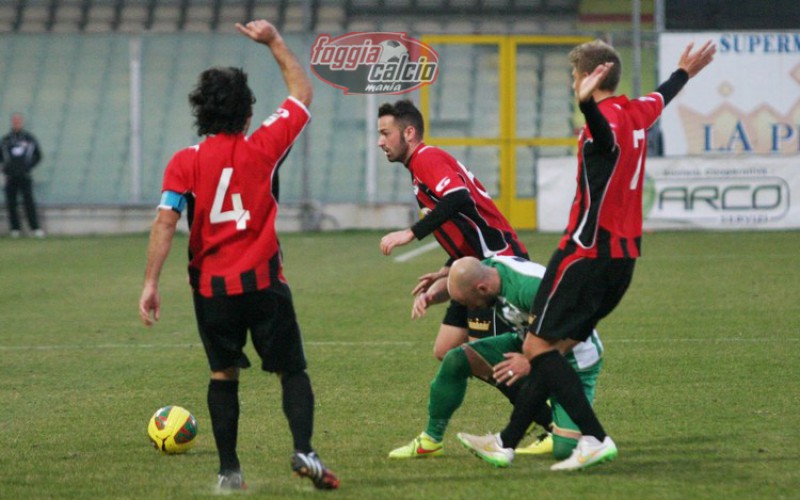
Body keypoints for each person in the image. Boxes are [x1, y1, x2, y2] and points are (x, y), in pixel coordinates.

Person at [457, 39, 716, 471]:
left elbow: (603, 136)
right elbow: (662, 96)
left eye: (576, 75)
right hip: (623, 259)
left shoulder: (608, 119)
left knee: (537, 344)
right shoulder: (637, 111)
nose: (573, 80)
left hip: (586, 253)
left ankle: (595, 437)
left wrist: (586, 108)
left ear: (590, 77)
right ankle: (505, 441)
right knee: (551, 346)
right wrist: (684, 73)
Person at [138, 20, 339, 491]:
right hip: (265, 282)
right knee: (292, 370)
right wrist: (273, 41)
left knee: (222, 373)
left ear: (202, 113)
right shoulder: (264, 146)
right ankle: (304, 450)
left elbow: (166, 222)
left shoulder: (183, 162)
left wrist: (150, 283)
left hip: (212, 291)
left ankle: (229, 471)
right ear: (248, 113)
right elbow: (302, 93)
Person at [388, 256, 603, 464]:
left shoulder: (529, 289)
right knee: (457, 359)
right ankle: (431, 439)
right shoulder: (487, 270)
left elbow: (577, 325)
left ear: (482, 289)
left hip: (572, 356)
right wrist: (432, 296)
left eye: (468, 303)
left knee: (566, 451)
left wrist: (529, 360)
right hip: (528, 342)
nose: (470, 309)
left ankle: (561, 424)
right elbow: (459, 278)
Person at [377, 99, 529, 359]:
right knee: (446, 350)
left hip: (496, 264)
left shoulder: (427, 158)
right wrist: (445, 271)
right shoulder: (418, 169)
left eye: (385, 133)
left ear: (409, 133)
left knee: (491, 356)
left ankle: (541, 394)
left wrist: (410, 233)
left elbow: (459, 197)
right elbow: (463, 223)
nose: (381, 142)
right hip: (474, 264)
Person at [1, 113, 44, 238]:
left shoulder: (29, 138)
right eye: (14, 121)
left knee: (29, 201)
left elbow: (38, 155)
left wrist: (28, 166)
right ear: (12, 122)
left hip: (25, 176)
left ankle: (35, 228)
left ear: (22, 122)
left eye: (18, 121)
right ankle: (15, 229)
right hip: (10, 176)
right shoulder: (6, 140)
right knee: (11, 203)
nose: (16, 123)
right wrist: (6, 168)